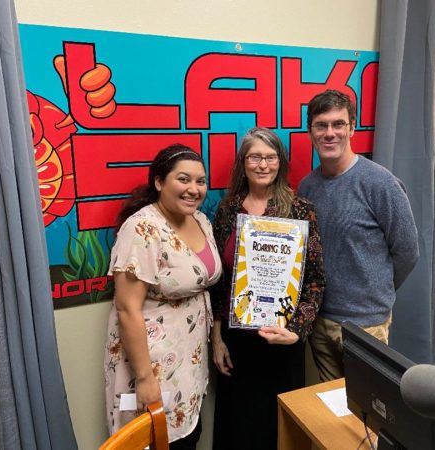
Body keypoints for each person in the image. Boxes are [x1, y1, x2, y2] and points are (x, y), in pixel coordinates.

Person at [210, 127, 325, 450]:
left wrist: (296, 330)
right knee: (238, 428)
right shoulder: (228, 210)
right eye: (255, 157)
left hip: (281, 340)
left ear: (281, 163)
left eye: (270, 157)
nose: (263, 165)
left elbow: (316, 281)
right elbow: (217, 281)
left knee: (279, 432)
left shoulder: (300, 209)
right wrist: (216, 338)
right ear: (243, 162)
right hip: (236, 342)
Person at [104, 144, 222, 449]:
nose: (194, 189)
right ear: (159, 182)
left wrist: (216, 338)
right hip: (153, 364)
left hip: (189, 361)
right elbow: (127, 309)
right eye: (183, 179)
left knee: (188, 436)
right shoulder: (142, 229)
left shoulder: (201, 221)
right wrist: (145, 378)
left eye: (200, 181)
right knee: (157, 441)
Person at [298, 89, 419, 381]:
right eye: (321, 125)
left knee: (368, 403)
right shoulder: (307, 187)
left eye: (338, 124)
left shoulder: (381, 183)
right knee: (330, 403)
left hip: (366, 324)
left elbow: (407, 252)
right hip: (321, 320)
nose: (330, 133)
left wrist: (375, 290)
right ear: (310, 132)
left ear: (352, 128)